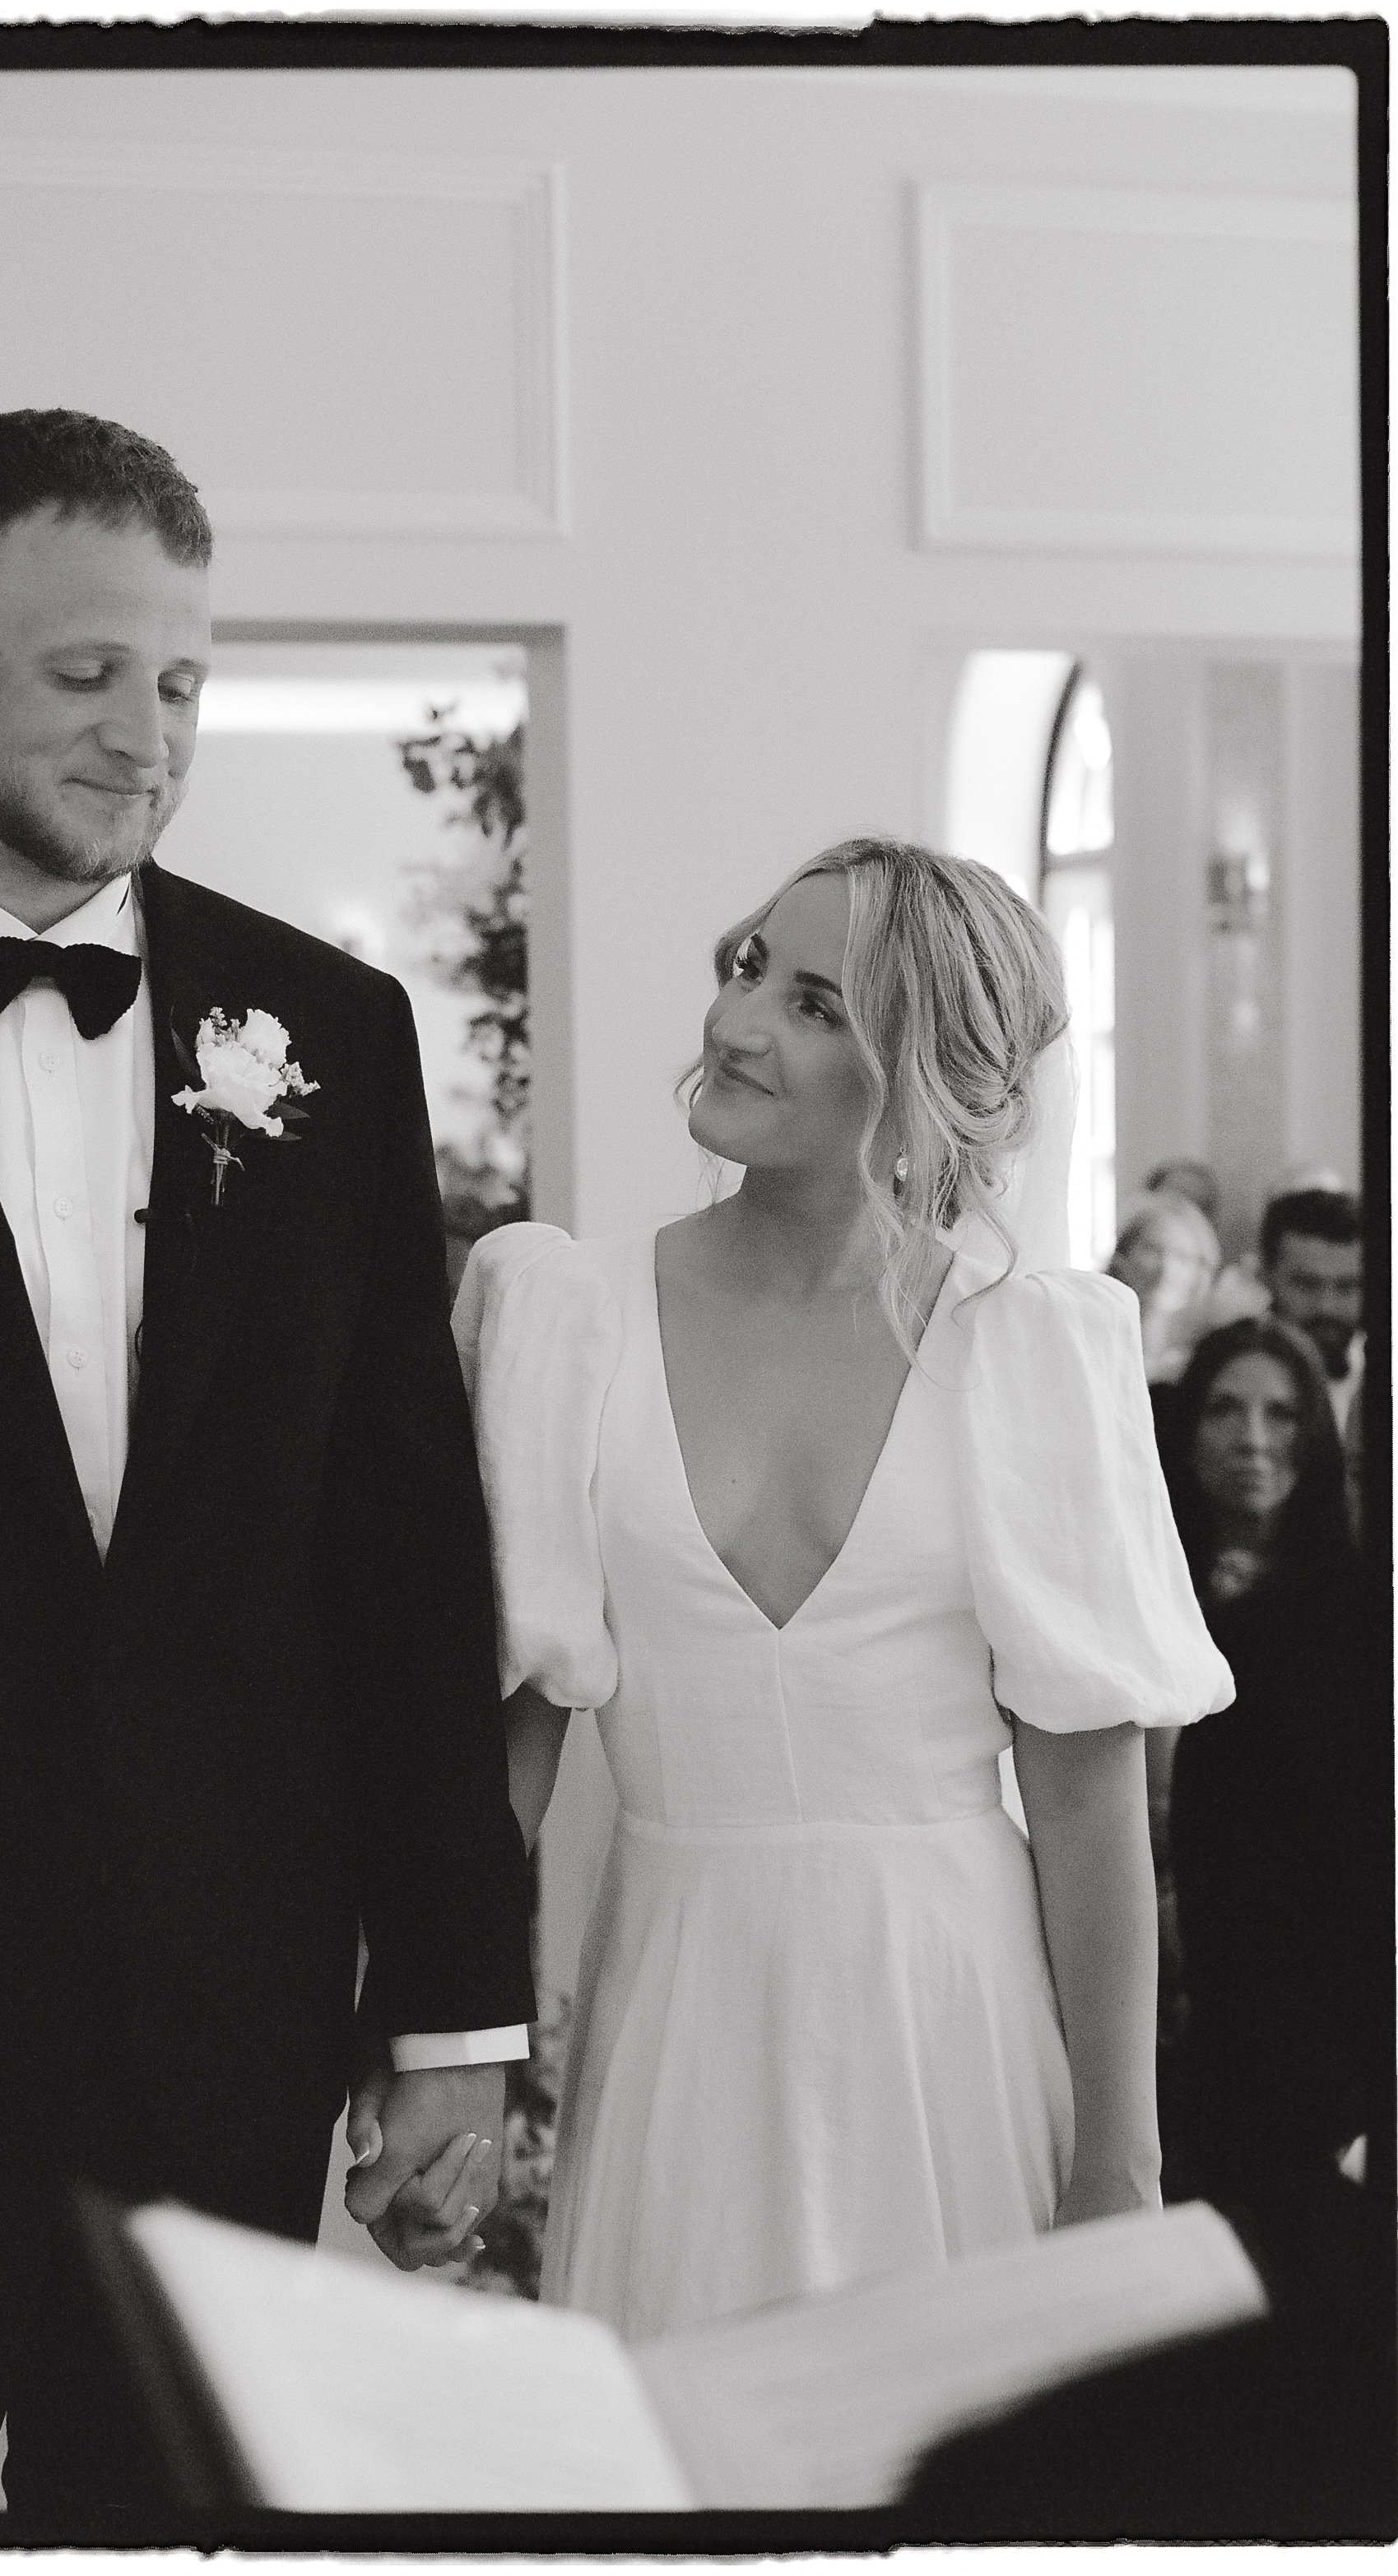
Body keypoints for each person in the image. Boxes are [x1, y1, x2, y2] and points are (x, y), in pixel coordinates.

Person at [0, 409, 535, 2541]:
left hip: (218, 1999)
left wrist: (452, 1995)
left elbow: (401, 1548)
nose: (145, 734)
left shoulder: (323, 1029)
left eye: (179, 680)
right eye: (83, 673)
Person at [449, 839, 1233, 2342]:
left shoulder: (1030, 1350)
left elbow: (1085, 1800)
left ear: (924, 1074)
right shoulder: (564, 1311)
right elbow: (510, 1764)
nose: (740, 1023)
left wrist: (1118, 2163)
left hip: (953, 2012)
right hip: (680, 1995)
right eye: (749, 966)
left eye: (816, 1004)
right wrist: (444, 2055)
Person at [1146, 1318, 1378, 2253]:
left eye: (1282, 1413)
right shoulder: (1136, 1585)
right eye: (1223, 1409)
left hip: (1277, 2034)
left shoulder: (1354, 1619)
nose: (1251, 1438)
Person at [1260, 1186, 1364, 1439]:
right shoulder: (1215, 1380)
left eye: (1347, 1287)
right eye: (1306, 1284)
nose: (1326, 1306)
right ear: (1266, 1277)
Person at [1106, 1190, 1224, 1390]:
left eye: (1182, 1257)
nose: (1166, 1269)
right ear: (1122, 1256)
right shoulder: (1096, 1339)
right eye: (1153, 1250)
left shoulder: (1212, 1357)